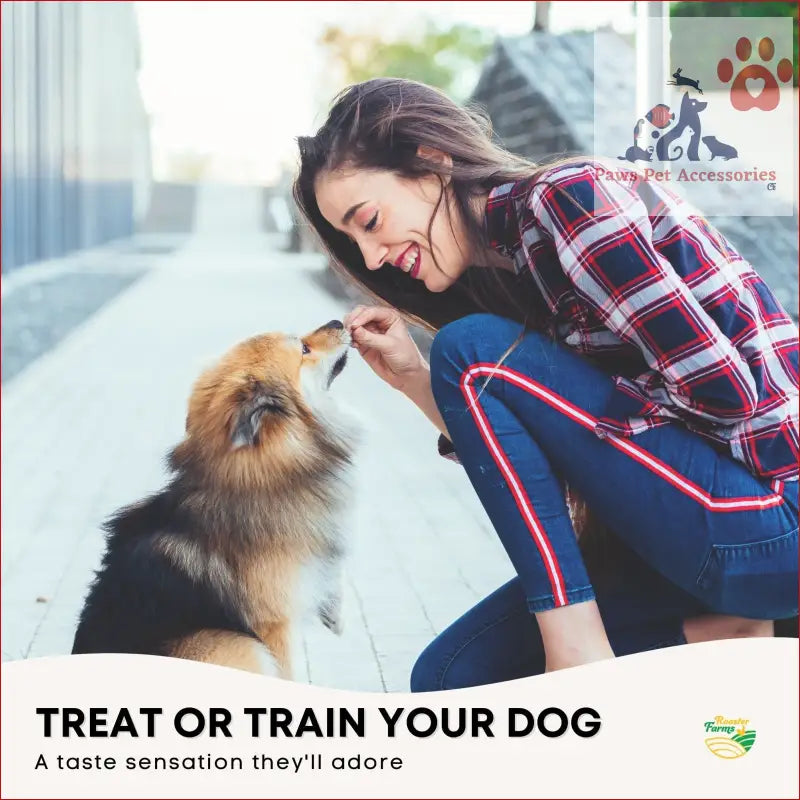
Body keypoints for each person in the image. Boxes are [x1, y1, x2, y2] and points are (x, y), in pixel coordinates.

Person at [293, 77, 798, 689]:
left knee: (472, 351)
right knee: (456, 678)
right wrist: (416, 382)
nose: (370, 258)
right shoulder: (510, 275)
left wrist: (563, 418)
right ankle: (727, 636)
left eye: (369, 221)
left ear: (431, 163)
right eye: (353, 242)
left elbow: (725, 395)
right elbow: (545, 478)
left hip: (771, 514)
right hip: (688, 539)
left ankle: (578, 650)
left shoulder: (570, 199)